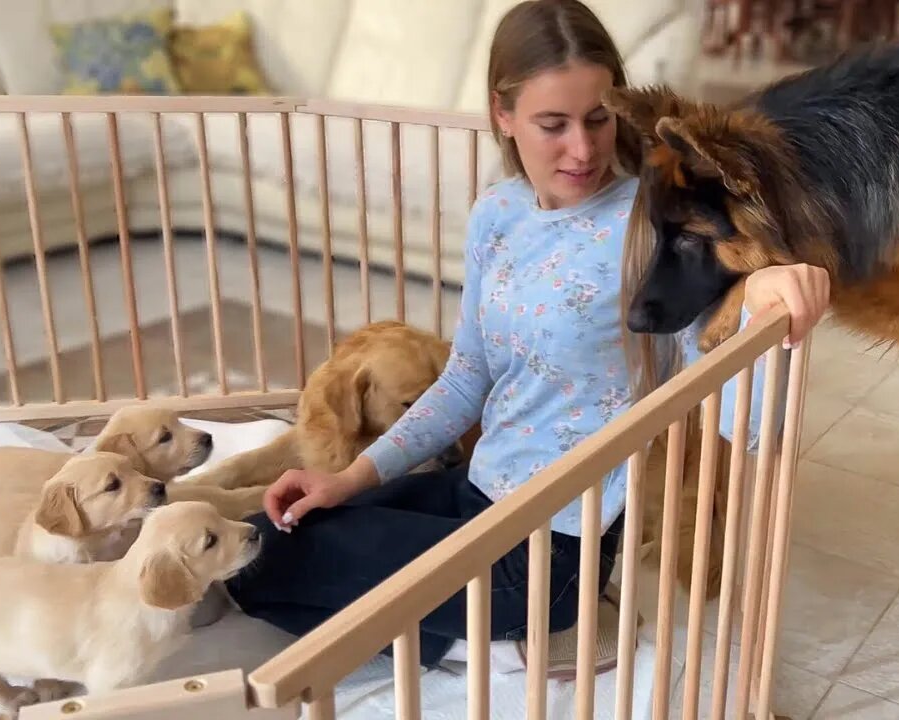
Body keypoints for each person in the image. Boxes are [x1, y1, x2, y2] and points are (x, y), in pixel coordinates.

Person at [223, 0, 830, 670]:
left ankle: (480, 631)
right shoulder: (498, 212)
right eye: (553, 124)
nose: (583, 147)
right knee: (253, 542)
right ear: (503, 115)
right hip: (474, 493)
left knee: (257, 570)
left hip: (549, 553)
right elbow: (467, 377)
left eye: (599, 118)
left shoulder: (655, 227)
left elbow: (739, 408)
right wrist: (350, 479)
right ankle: (442, 636)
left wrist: (763, 305)